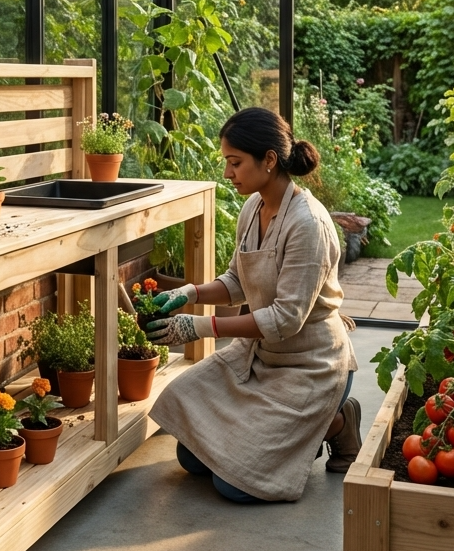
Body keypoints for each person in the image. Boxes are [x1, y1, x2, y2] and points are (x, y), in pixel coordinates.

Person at [146, 106, 361, 503]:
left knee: (234, 486)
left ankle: (336, 423)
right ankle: (286, 439)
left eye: (235, 162)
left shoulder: (308, 225)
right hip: (260, 358)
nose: (228, 174)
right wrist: (190, 293)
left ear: (269, 160)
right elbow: (236, 282)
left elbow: (285, 319)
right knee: (190, 456)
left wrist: (200, 327)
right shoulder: (253, 208)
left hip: (310, 366)